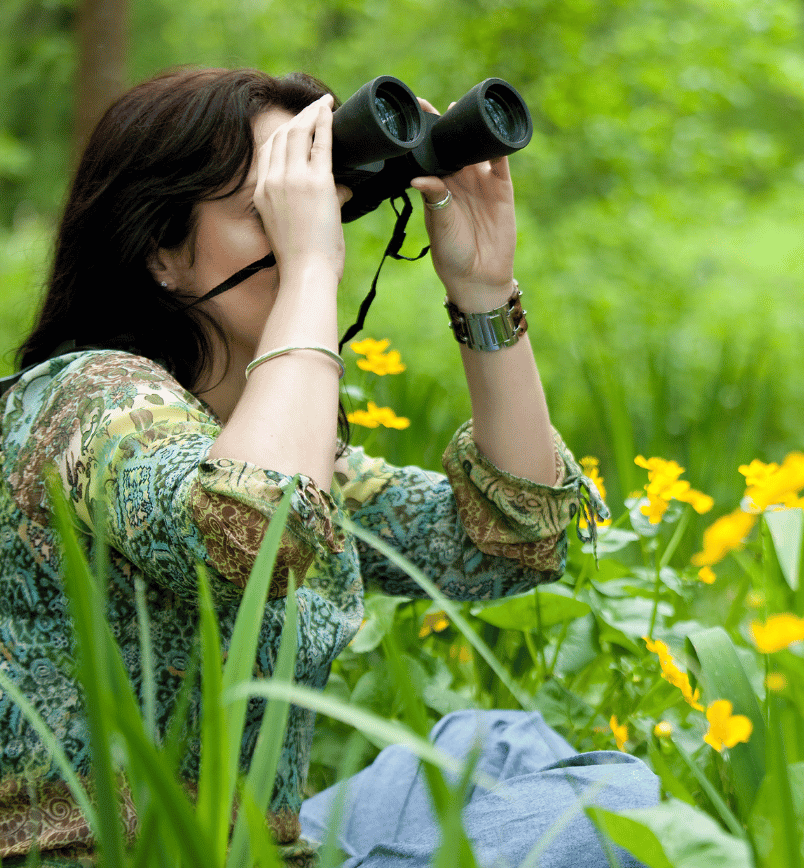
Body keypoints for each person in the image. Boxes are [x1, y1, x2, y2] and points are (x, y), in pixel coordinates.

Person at [0, 67, 657, 866]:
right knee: (608, 807)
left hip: (264, 846)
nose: (321, 237)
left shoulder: (272, 442)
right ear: (162, 253)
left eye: (323, 210)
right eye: (268, 213)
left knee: (501, 741)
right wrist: (308, 269)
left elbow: (513, 542)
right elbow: (250, 529)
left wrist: (485, 290)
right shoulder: (87, 399)